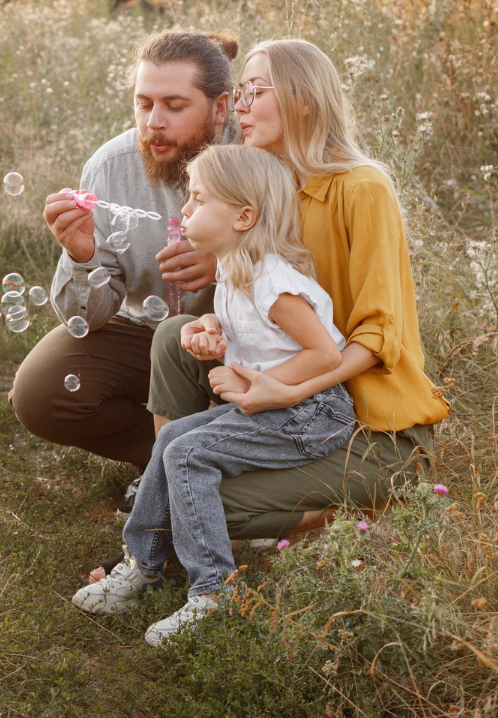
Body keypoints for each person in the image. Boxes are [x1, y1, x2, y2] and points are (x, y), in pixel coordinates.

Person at [144, 38, 451, 543]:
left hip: (369, 427)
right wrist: (212, 324)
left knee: (209, 505)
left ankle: (355, 510)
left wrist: (287, 390)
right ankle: (166, 505)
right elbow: (257, 305)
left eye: (254, 91)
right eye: (239, 92)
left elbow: (379, 334)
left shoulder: (361, 187)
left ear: (302, 99)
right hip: (291, 413)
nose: (239, 106)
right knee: (174, 335)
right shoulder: (265, 191)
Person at [71, 144, 357, 645]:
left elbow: (326, 357)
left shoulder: (275, 283)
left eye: (198, 200)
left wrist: (249, 381)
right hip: (282, 406)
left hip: (312, 413)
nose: (184, 211)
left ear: (244, 216)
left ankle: (213, 591)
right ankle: (145, 563)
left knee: (187, 454)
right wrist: (206, 324)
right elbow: (237, 324)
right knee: (172, 439)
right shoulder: (233, 265)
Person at [9, 30, 237, 471]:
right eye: (144, 103)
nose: (154, 122)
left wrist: (226, 263)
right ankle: (163, 467)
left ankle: (229, 468)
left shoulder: (257, 157)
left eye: (174, 106)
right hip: (144, 335)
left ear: (220, 108)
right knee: (41, 391)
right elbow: (87, 318)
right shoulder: (111, 168)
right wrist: (80, 255)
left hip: (241, 339)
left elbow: (306, 266)